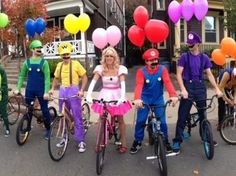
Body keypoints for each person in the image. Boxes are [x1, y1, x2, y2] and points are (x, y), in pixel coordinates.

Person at [172, 32, 222, 154]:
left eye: (192, 44)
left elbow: (209, 74)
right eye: (188, 43)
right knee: (182, 115)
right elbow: (178, 74)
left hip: (200, 88)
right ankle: (177, 140)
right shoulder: (184, 57)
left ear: (198, 44)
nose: (189, 45)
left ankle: (205, 137)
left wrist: (217, 88)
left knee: (202, 115)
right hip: (188, 87)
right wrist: (183, 89)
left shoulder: (204, 57)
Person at [130, 48, 178, 154]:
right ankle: (138, 141)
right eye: (151, 60)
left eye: (156, 59)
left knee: (163, 122)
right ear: (146, 61)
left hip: (158, 99)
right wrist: (137, 99)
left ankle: (165, 140)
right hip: (144, 99)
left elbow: (168, 82)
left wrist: (173, 95)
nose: (154, 62)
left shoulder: (162, 70)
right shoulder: (141, 72)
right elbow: (139, 85)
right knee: (141, 121)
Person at [86, 46, 132, 154]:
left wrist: (122, 97)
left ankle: (123, 142)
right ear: (104, 57)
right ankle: (99, 142)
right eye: (107, 56)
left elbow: (122, 84)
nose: (109, 58)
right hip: (105, 94)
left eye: (111, 56)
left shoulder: (120, 68)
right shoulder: (100, 68)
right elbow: (93, 82)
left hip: (117, 93)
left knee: (120, 120)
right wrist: (88, 94)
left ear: (115, 57)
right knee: (101, 118)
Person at [49, 42, 88, 153]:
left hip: (74, 90)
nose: (65, 56)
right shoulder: (59, 65)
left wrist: (81, 90)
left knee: (77, 116)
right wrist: (52, 89)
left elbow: (84, 77)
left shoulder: (76, 64)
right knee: (63, 115)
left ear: (70, 54)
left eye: (67, 54)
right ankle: (64, 137)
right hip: (62, 91)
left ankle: (80, 140)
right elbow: (56, 78)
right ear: (61, 56)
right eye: (63, 55)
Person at [14, 40, 51, 140]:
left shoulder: (44, 63)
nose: (39, 48)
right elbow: (21, 76)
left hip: (41, 91)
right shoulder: (27, 62)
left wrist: (46, 92)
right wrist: (18, 88)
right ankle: (28, 127)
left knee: (44, 110)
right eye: (37, 47)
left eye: (40, 47)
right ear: (32, 49)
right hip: (30, 90)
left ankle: (48, 129)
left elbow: (47, 79)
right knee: (29, 110)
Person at [0, 64, 10, 137]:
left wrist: (1, 90)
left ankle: (7, 129)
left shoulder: (1, 70)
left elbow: (4, 84)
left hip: (2, 96)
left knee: (4, 113)